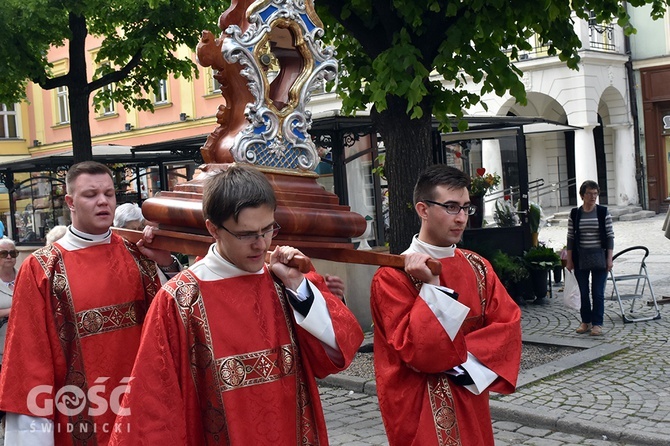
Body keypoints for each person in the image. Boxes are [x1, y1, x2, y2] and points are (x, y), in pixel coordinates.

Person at [110, 164, 364, 445]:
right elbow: (154, 405)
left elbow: (340, 349)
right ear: (213, 229)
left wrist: (298, 286)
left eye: (267, 230)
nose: (260, 244)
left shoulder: (285, 280)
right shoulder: (180, 300)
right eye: (246, 234)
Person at [0, 161, 179, 445]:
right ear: (70, 201)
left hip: (142, 410)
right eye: (90, 194)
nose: (102, 201)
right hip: (77, 415)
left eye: (109, 193)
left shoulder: (139, 255)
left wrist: (167, 263)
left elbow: (172, 323)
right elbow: (28, 360)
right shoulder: (42, 268)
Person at [370, 164, 522, 446]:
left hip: (470, 394)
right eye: (451, 207)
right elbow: (420, 352)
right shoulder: (392, 277)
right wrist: (432, 287)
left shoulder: (478, 267)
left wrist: (463, 365)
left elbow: (507, 325)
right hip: (422, 405)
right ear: (423, 210)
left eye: (466, 207)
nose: (461, 218)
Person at [565, 180, 614, 336]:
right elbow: (570, 237)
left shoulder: (602, 212)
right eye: (589, 193)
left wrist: (610, 258)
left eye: (595, 193)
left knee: (598, 292)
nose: (593, 197)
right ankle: (585, 321)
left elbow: (609, 236)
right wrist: (569, 259)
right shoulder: (575, 213)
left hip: (600, 256)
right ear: (582, 195)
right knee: (583, 291)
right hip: (581, 257)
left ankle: (597, 324)